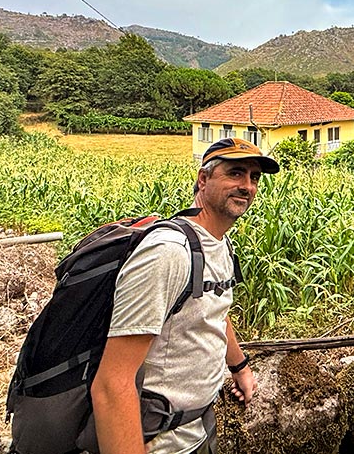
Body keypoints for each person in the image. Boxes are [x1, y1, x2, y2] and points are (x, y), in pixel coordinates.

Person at [90, 137, 279, 454]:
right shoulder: (168, 253)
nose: (247, 186)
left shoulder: (220, 244)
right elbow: (112, 384)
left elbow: (213, 312)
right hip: (160, 440)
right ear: (203, 179)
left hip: (198, 428)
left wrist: (240, 367)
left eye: (254, 177)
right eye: (235, 173)